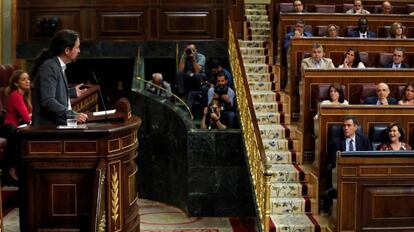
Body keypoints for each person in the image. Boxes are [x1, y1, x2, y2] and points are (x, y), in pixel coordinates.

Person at [31, 29, 88, 126]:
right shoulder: (49, 67)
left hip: (56, 126)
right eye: (77, 47)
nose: (79, 51)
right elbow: (48, 100)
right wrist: (72, 115)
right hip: (47, 129)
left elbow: (51, 92)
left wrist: (71, 92)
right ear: (67, 50)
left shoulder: (57, 65)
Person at [0, 70, 33, 184]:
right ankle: (11, 170)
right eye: (23, 79)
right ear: (16, 83)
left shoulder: (26, 96)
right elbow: (27, 118)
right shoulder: (15, 95)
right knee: (17, 137)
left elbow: (28, 117)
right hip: (9, 127)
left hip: (18, 126)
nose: (27, 81)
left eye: (28, 79)